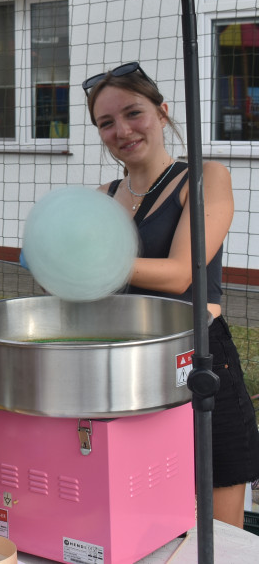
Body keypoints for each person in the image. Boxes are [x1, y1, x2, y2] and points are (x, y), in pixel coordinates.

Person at [85, 61, 259, 528]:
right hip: (129, 366)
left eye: (133, 113)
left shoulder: (205, 178)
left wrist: (83, 263)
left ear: (162, 113)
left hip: (200, 360)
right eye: (106, 122)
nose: (121, 130)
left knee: (219, 533)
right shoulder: (101, 198)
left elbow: (182, 272)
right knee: (146, 518)